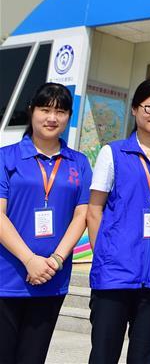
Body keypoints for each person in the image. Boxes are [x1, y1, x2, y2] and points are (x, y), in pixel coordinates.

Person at [87, 79, 150, 364]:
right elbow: (95, 210)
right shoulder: (113, 153)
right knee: (104, 354)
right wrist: (104, 256)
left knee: (144, 356)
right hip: (114, 276)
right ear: (134, 109)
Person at [0, 82, 92, 364]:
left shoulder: (79, 162)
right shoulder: (6, 157)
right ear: (31, 111)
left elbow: (82, 215)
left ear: (68, 117)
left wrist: (55, 260)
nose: (52, 118)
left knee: (33, 356)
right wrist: (30, 260)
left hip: (52, 278)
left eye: (60, 111)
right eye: (45, 109)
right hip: (7, 278)